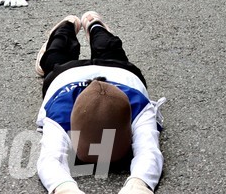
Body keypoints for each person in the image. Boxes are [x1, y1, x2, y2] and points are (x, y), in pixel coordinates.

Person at [34, 12, 163, 194]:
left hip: (92, 74)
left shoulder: (138, 107)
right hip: (102, 72)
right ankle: (85, 26)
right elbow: (148, 151)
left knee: (58, 57)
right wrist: (138, 184)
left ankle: (79, 27)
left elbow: (50, 160)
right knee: (104, 49)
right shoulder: (59, 116)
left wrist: (138, 185)